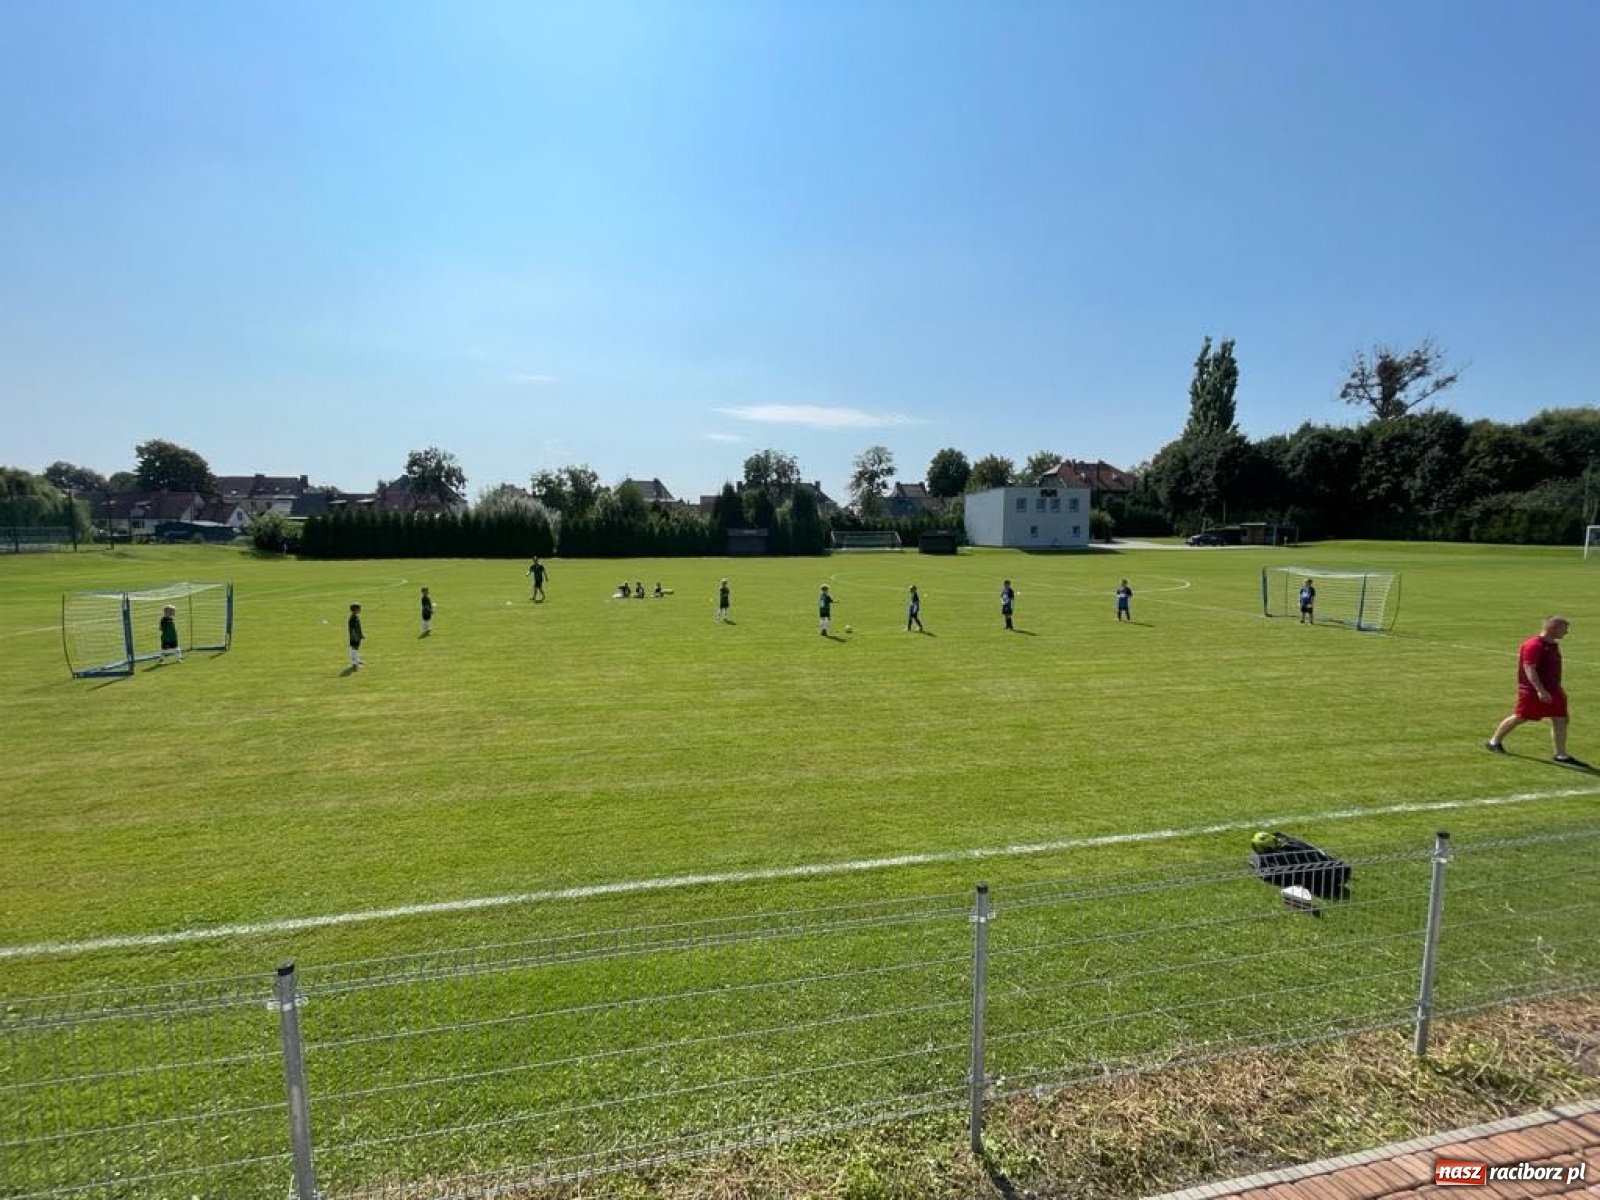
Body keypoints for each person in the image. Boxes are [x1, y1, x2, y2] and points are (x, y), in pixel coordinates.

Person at [1486, 615, 1586, 765]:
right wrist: (1540, 690)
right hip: (1533, 691)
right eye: (1564, 629)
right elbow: (1529, 668)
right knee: (1521, 717)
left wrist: (1557, 689)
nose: (1566, 633)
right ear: (1553, 628)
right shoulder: (1533, 645)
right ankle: (1494, 742)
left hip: (1553, 689)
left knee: (1561, 719)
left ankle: (1561, 754)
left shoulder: (1552, 644)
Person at [348, 602, 364, 669]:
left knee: (356, 648)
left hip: (357, 636)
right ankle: (354, 662)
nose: (360, 610)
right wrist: (355, 637)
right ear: (355, 610)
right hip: (354, 637)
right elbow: (352, 629)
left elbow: (358, 627)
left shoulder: (356, 617)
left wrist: (361, 634)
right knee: (354, 649)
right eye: (359, 609)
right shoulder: (352, 619)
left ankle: (357, 660)